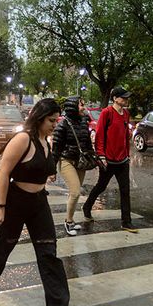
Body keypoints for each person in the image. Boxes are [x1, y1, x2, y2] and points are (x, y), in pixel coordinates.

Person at [0, 98, 80, 306]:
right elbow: (4, 172)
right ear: (40, 117)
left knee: (48, 252)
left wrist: (47, 173)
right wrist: (1, 207)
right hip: (15, 201)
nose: (55, 124)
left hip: (38, 202)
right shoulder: (23, 139)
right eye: (51, 120)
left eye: (57, 120)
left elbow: (42, 168)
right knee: (5, 243)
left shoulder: (47, 141)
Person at [82, 86, 139, 233]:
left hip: (122, 161)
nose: (126, 100)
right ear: (115, 98)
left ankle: (126, 222)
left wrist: (127, 154)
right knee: (101, 186)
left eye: (127, 97)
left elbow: (125, 136)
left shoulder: (126, 114)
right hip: (108, 160)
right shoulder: (107, 113)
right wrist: (101, 156)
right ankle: (87, 206)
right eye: (123, 97)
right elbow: (100, 135)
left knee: (125, 191)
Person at [52, 96, 95, 236]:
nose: (84, 107)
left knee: (74, 194)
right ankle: (68, 221)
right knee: (75, 191)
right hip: (67, 161)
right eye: (81, 105)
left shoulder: (84, 121)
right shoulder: (63, 125)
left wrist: (94, 158)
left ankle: (70, 219)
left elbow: (87, 143)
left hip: (80, 162)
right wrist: (52, 170)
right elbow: (56, 150)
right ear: (73, 107)